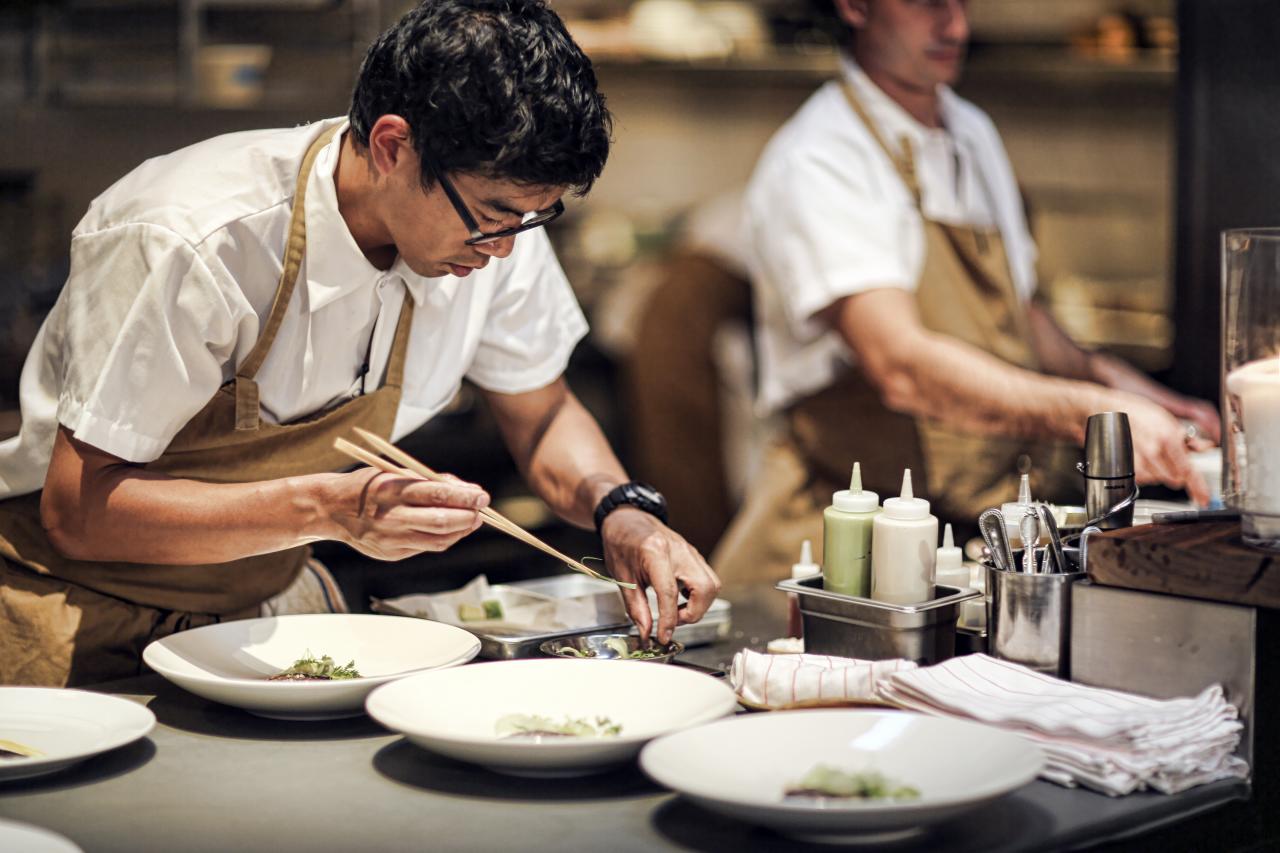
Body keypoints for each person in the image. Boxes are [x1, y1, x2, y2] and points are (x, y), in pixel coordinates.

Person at [0, 0, 719, 687]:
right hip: (70, 614)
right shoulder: (194, 237)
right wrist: (327, 510)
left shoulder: (498, 235)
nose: (504, 249)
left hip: (263, 621)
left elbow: (543, 413)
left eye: (535, 218)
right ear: (392, 146)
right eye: (494, 217)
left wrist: (620, 508)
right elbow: (79, 509)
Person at [712, 0, 1219, 583]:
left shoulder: (971, 131)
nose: (955, 26)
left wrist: (1135, 392)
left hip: (957, 534)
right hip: (841, 552)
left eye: (962, 2)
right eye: (928, 3)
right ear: (854, 6)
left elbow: (1019, 312)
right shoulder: (820, 156)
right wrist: (1092, 417)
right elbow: (900, 365)